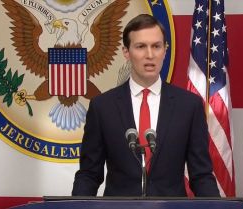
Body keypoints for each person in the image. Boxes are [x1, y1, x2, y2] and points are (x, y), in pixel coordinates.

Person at [72, 14, 220, 197]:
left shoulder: (189, 106)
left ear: (165, 51)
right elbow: (89, 174)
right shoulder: (102, 107)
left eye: (156, 46)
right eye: (141, 46)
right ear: (126, 52)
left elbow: (201, 175)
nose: (150, 55)